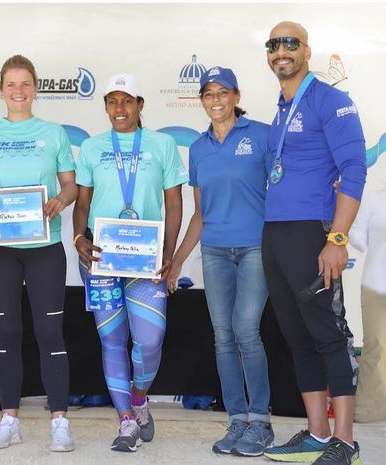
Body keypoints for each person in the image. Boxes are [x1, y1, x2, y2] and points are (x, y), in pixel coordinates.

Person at [260, 22, 366, 465]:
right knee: (297, 337)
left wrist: (337, 240)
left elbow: (355, 169)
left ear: (307, 51)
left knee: (328, 335)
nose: (281, 51)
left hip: (314, 232)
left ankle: (345, 441)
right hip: (276, 233)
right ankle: (317, 436)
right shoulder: (281, 109)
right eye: (273, 44)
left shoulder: (331, 100)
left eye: (290, 43)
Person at [73, 73, 186, 452]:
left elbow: (173, 203)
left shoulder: (163, 144)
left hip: (147, 262)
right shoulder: (91, 147)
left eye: (126, 101)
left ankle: (139, 398)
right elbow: (83, 203)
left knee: (149, 341)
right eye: (111, 102)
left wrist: (169, 253)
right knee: (111, 340)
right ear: (105, 106)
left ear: (140, 104)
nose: (119, 109)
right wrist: (78, 238)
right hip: (102, 260)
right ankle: (125, 421)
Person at [0, 55, 78, 452]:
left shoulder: (53, 133)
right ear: (1, 90)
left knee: (50, 333)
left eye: (26, 84)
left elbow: (70, 186)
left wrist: (60, 202)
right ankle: (10, 419)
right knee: (6, 333)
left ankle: (60, 423)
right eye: (11, 85)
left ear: (35, 89)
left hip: (44, 248)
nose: (18, 91)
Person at [167, 66, 273, 456]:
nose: (216, 100)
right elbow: (200, 213)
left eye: (222, 92)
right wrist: (177, 262)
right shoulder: (197, 148)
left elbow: (283, 186)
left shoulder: (262, 135)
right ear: (202, 101)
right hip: (214, 251)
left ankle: (260, 422)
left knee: (246, 329)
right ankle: (236, 421)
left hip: (255, 248)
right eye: (208, 94)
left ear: (236, 96)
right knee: (223, 337)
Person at [349, 188, 386, 423]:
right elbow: (356, 235)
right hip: (376, 283)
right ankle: (369, 412)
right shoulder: (374, 197)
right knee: (375, 348)